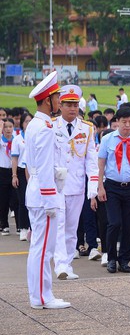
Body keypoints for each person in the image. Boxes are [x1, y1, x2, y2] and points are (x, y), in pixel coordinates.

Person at [25, 71, 71, 309]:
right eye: (57, 98)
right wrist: (51, 199)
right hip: (44, 196)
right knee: (44, 249)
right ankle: (43, 297)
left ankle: (39, 295)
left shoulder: (36, 124)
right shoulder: (43, 128)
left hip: (37, 192)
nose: (60, 102)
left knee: (39, 248)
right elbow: (42, 168)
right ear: (47, 100)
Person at [52, 85, 99, 280]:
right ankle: (60, 264)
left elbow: (91, 159)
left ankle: (68, 264)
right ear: (60, 106)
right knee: (59, 225)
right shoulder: (52, 125)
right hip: (56, 185)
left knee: (72, 228)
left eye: (75, 105)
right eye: (68, 105)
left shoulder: (86, 128)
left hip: (77, 185)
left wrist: (93, 186)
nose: (72, 108)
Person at [97, 107, 130, 274]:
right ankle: (111, 257)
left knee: (129, 225)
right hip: (112, 186)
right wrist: (100, 186)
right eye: (124, 122)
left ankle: (124, 260)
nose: (127, 125)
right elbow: (101, 163)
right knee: (114, 223)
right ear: (117, 122)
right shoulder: (108, 139)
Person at [11, 112, 33, 241]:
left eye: (31, 121)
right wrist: (14, 175)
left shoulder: (36, 137)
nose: (28, 124)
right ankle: (23, 227)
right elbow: (14, 158)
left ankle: (32, 227)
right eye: (26, 121)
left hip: (34, 172)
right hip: (21, 171)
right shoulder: (17, 139)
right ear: (22, 124)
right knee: (23, 200)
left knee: (34, 201)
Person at [0, 118, 17, 236]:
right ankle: (4, 224)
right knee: (3, 200)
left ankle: (19, 226)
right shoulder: (1, 141)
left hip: (14, 171)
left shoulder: (16, 140)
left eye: (10, 126)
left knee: (15, 199)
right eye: (5, 127)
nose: (8, 129)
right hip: (2, 171)